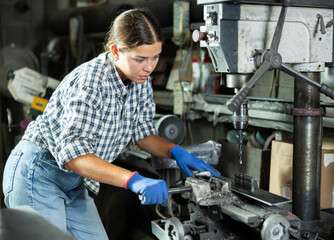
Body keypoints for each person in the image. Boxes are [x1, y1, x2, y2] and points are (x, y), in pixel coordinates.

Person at [2, 7, 221, 240]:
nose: (150, 67)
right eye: (140, 58)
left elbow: (142, 132)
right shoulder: (91, 82)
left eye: (155, 56)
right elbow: (74, 156)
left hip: (73, 182)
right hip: (39, 173)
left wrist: (175, 151)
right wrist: (133, 180)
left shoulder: (140, 80)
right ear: (115, 51)